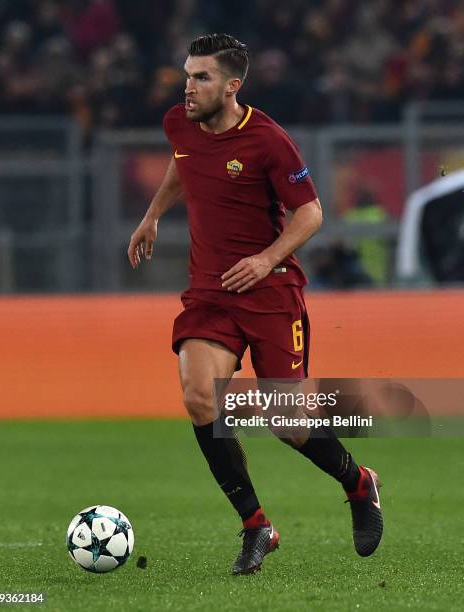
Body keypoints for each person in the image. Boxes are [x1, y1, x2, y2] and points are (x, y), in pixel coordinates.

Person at [128, 33, 383, 575]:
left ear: (232, 85)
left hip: (270, 292)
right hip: (210, 291)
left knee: (285, 420)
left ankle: (359, 484)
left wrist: (267, 259)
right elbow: (182, 162)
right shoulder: (180, 123)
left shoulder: (268, 140)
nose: (188, 87)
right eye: (187, 74)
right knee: (201, 398)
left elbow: (310, 213)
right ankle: (256, 525)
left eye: (202, 78)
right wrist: (152, 215)